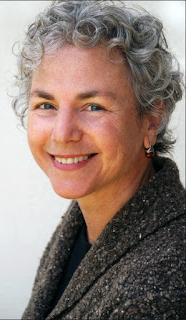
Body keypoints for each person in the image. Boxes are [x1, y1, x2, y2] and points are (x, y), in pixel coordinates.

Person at [12, 1, 185, 319]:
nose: (62, 134)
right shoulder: (86, 222)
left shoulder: (166, 285)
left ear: (151, 119)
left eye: (93, 106)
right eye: (46, 104)